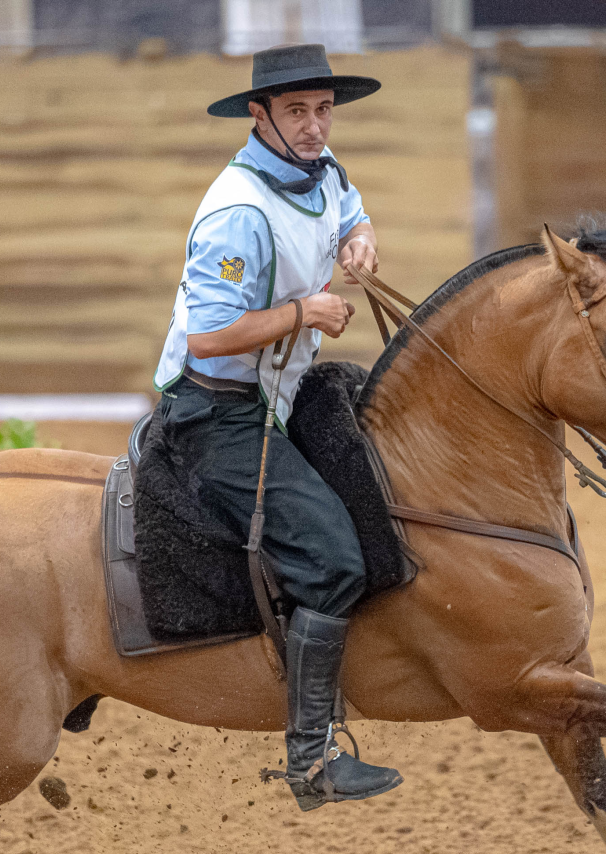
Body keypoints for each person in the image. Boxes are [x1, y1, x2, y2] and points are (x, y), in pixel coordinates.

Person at [153, 44, 401, 812]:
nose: (316, 125)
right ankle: (311, 760)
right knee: (332, 561)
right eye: (297, 111)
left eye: (324, 108)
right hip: (215, 413)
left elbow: (348, 206)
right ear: (258, 116)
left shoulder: (318, 170)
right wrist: (306, 312)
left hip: (276, 396)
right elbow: (208, 339)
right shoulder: (238, 213)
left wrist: (362, 238)